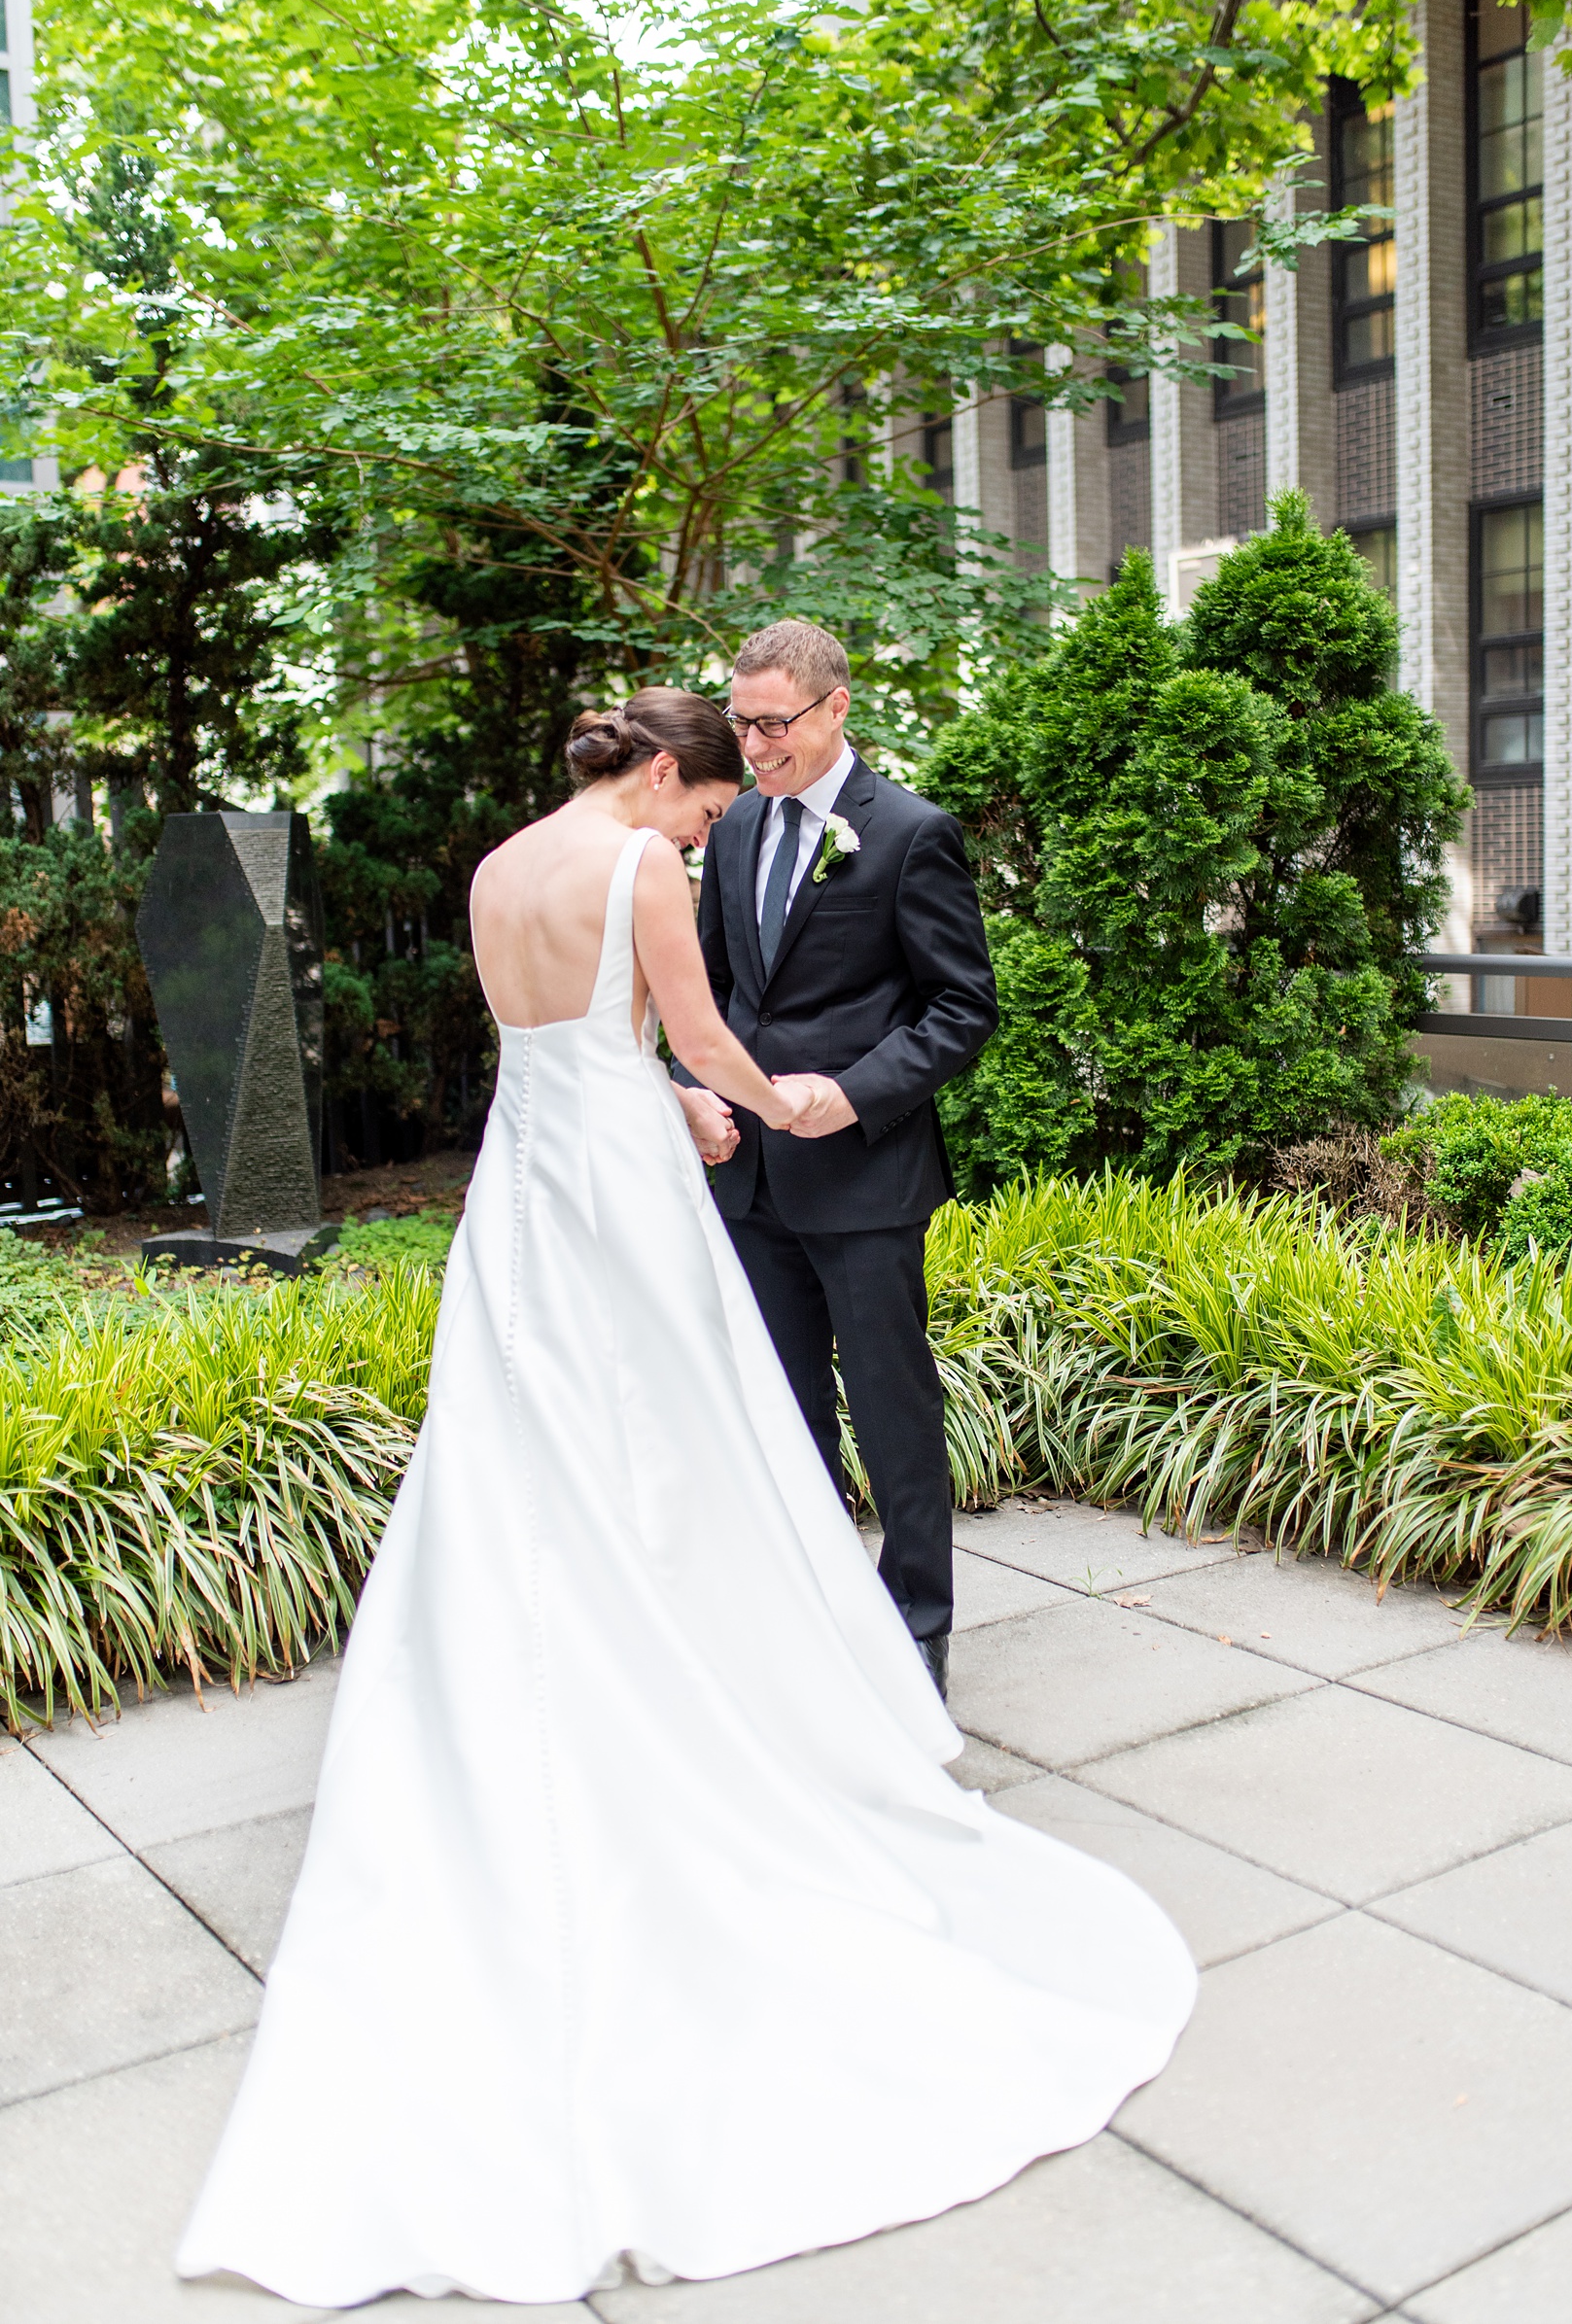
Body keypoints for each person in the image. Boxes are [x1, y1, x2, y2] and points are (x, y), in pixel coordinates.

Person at [176, 687, 1195, 2308]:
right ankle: (689, 1700)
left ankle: (538, 1693)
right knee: (673, 1440)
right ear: (663, 772)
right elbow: (691, 1027)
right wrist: (778, 1095)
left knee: (531, 1445)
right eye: (704, 809)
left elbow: (566, 1050)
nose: (707, 835)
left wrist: (679, 1094)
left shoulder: (501, 864)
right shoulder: (643, 866)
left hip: (528, 1188)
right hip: (625, 1200)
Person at [674, 619, 996, 1703]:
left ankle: (916, 1634)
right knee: (785, 1408)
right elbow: (715, 998)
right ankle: (815, 1617)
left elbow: (961, 1010)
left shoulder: (907, 834)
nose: (755, 746)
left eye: (775, 724)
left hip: (863, 1183)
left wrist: (850, 1093)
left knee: (893, 1410)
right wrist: (703, 1098)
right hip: (748, 1181)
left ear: (835, 708)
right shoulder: (726, 835)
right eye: (741, 721)